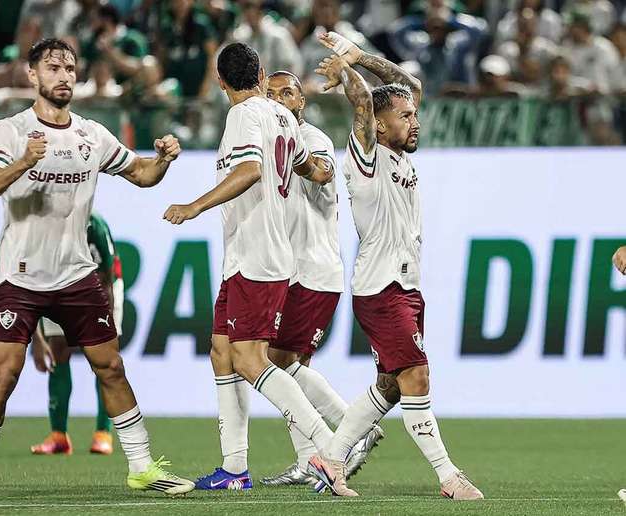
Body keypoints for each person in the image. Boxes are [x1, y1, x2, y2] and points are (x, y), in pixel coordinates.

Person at [0, 38, 194, 502]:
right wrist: (24, 161)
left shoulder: (92, 135)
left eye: (70, 67)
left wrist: (163, 160)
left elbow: (142, 175)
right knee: (2, 378)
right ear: (32, 75)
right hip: (20, 279)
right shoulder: (10, 130)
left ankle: (143, 468)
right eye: (53, 67)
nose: (63, 75)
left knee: (111, 367)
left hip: (78, 277)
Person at [306, 32, 484, 500]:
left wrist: (360, 55)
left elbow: (408, 85)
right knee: (416, 376)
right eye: (404, 117)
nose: (414, 121)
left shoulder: (399, 150)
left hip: (405, 285)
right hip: (381, 288)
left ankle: (331, 457)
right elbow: (364, 102)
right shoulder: (366, 156)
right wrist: (346, 70)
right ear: (380, 127)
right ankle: (448, 476)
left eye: (413, 115)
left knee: (388, 385)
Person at [162, 42, 335, 491]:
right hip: (247, 254)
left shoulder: (243, 115)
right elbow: (310, 168)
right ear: (259, 75)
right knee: (222, 351)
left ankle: (325, 448)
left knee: (249, 359)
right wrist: (323, 171)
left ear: (220, 82)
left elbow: (250, 172)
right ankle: (235, 468)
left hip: (258, 255)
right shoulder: (283, 117)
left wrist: (195, 206)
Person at [260, 69, 383, 487]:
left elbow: (324, 171)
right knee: (290, 369)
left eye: (287, 93)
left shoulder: (310, 138)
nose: (278, 99)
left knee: (275, 363)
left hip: (311, 270)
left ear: (301, 102)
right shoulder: (268, 143)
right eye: (270, 93)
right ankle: (310, 458)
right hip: (287, 270)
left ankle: (352, 431)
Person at [29, 212, 124, 456]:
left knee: (103, 357)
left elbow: (107, 279)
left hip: (100, 288)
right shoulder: (36, 231)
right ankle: (59, 436)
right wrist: (37, 340)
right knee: (59, 350)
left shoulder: (93, 225)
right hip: (58, 287)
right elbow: (30, 287)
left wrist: (107, 327)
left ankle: (103, 433)